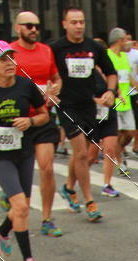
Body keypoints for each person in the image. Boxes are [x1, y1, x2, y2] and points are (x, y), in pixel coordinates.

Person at [50, 6, 116, 222]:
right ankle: (89, 201)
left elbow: (111, 73)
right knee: (79, 153)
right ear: (65, 24)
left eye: (81, 22)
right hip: (67, 106)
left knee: (86, 154)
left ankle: (69, 187)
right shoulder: (56, 48)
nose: (78, 26)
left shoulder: (94, 47)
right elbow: (47, 73)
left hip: (89, 106)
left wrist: (110, 90)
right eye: (74, 22)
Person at [0, 41, 49, 261]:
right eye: (3, 60)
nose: (10, 63)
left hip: (24, 153)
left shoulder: (26, 85)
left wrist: (30, 122)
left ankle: (3, 231)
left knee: (22, 207)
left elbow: (44, 115)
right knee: (21, 206)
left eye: (11, 58)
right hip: (0, 158)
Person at [10, 10, 63, 238]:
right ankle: (11, 197)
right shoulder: (9, 53)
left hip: (42, 117)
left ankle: (47, 218)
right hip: (16, 121)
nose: (33, 30)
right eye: (28, 25)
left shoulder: (46, 51)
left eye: (36, 26)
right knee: (18, 173)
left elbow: (56, 78)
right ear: (17, 28)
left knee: (47, 167)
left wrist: (55, 90)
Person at [107, 28, 138, 175]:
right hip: (114, 103)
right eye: (126, 39)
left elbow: (129, 76)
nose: (128, 43)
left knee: (130, 133)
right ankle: (120, 163)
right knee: (117, 134)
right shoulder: (107, 56)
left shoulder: (124, 57)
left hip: (127, 101)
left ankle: (118, 151)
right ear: (119, 41)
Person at [124, 33, 138, 158]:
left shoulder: (135, 53)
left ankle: (136, 146)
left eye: (129, 39)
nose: (128, 42)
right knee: (123, 123)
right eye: (125, 40)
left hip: (136, 91)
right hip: (122, 93)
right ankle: (121, 148)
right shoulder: (119, 55)